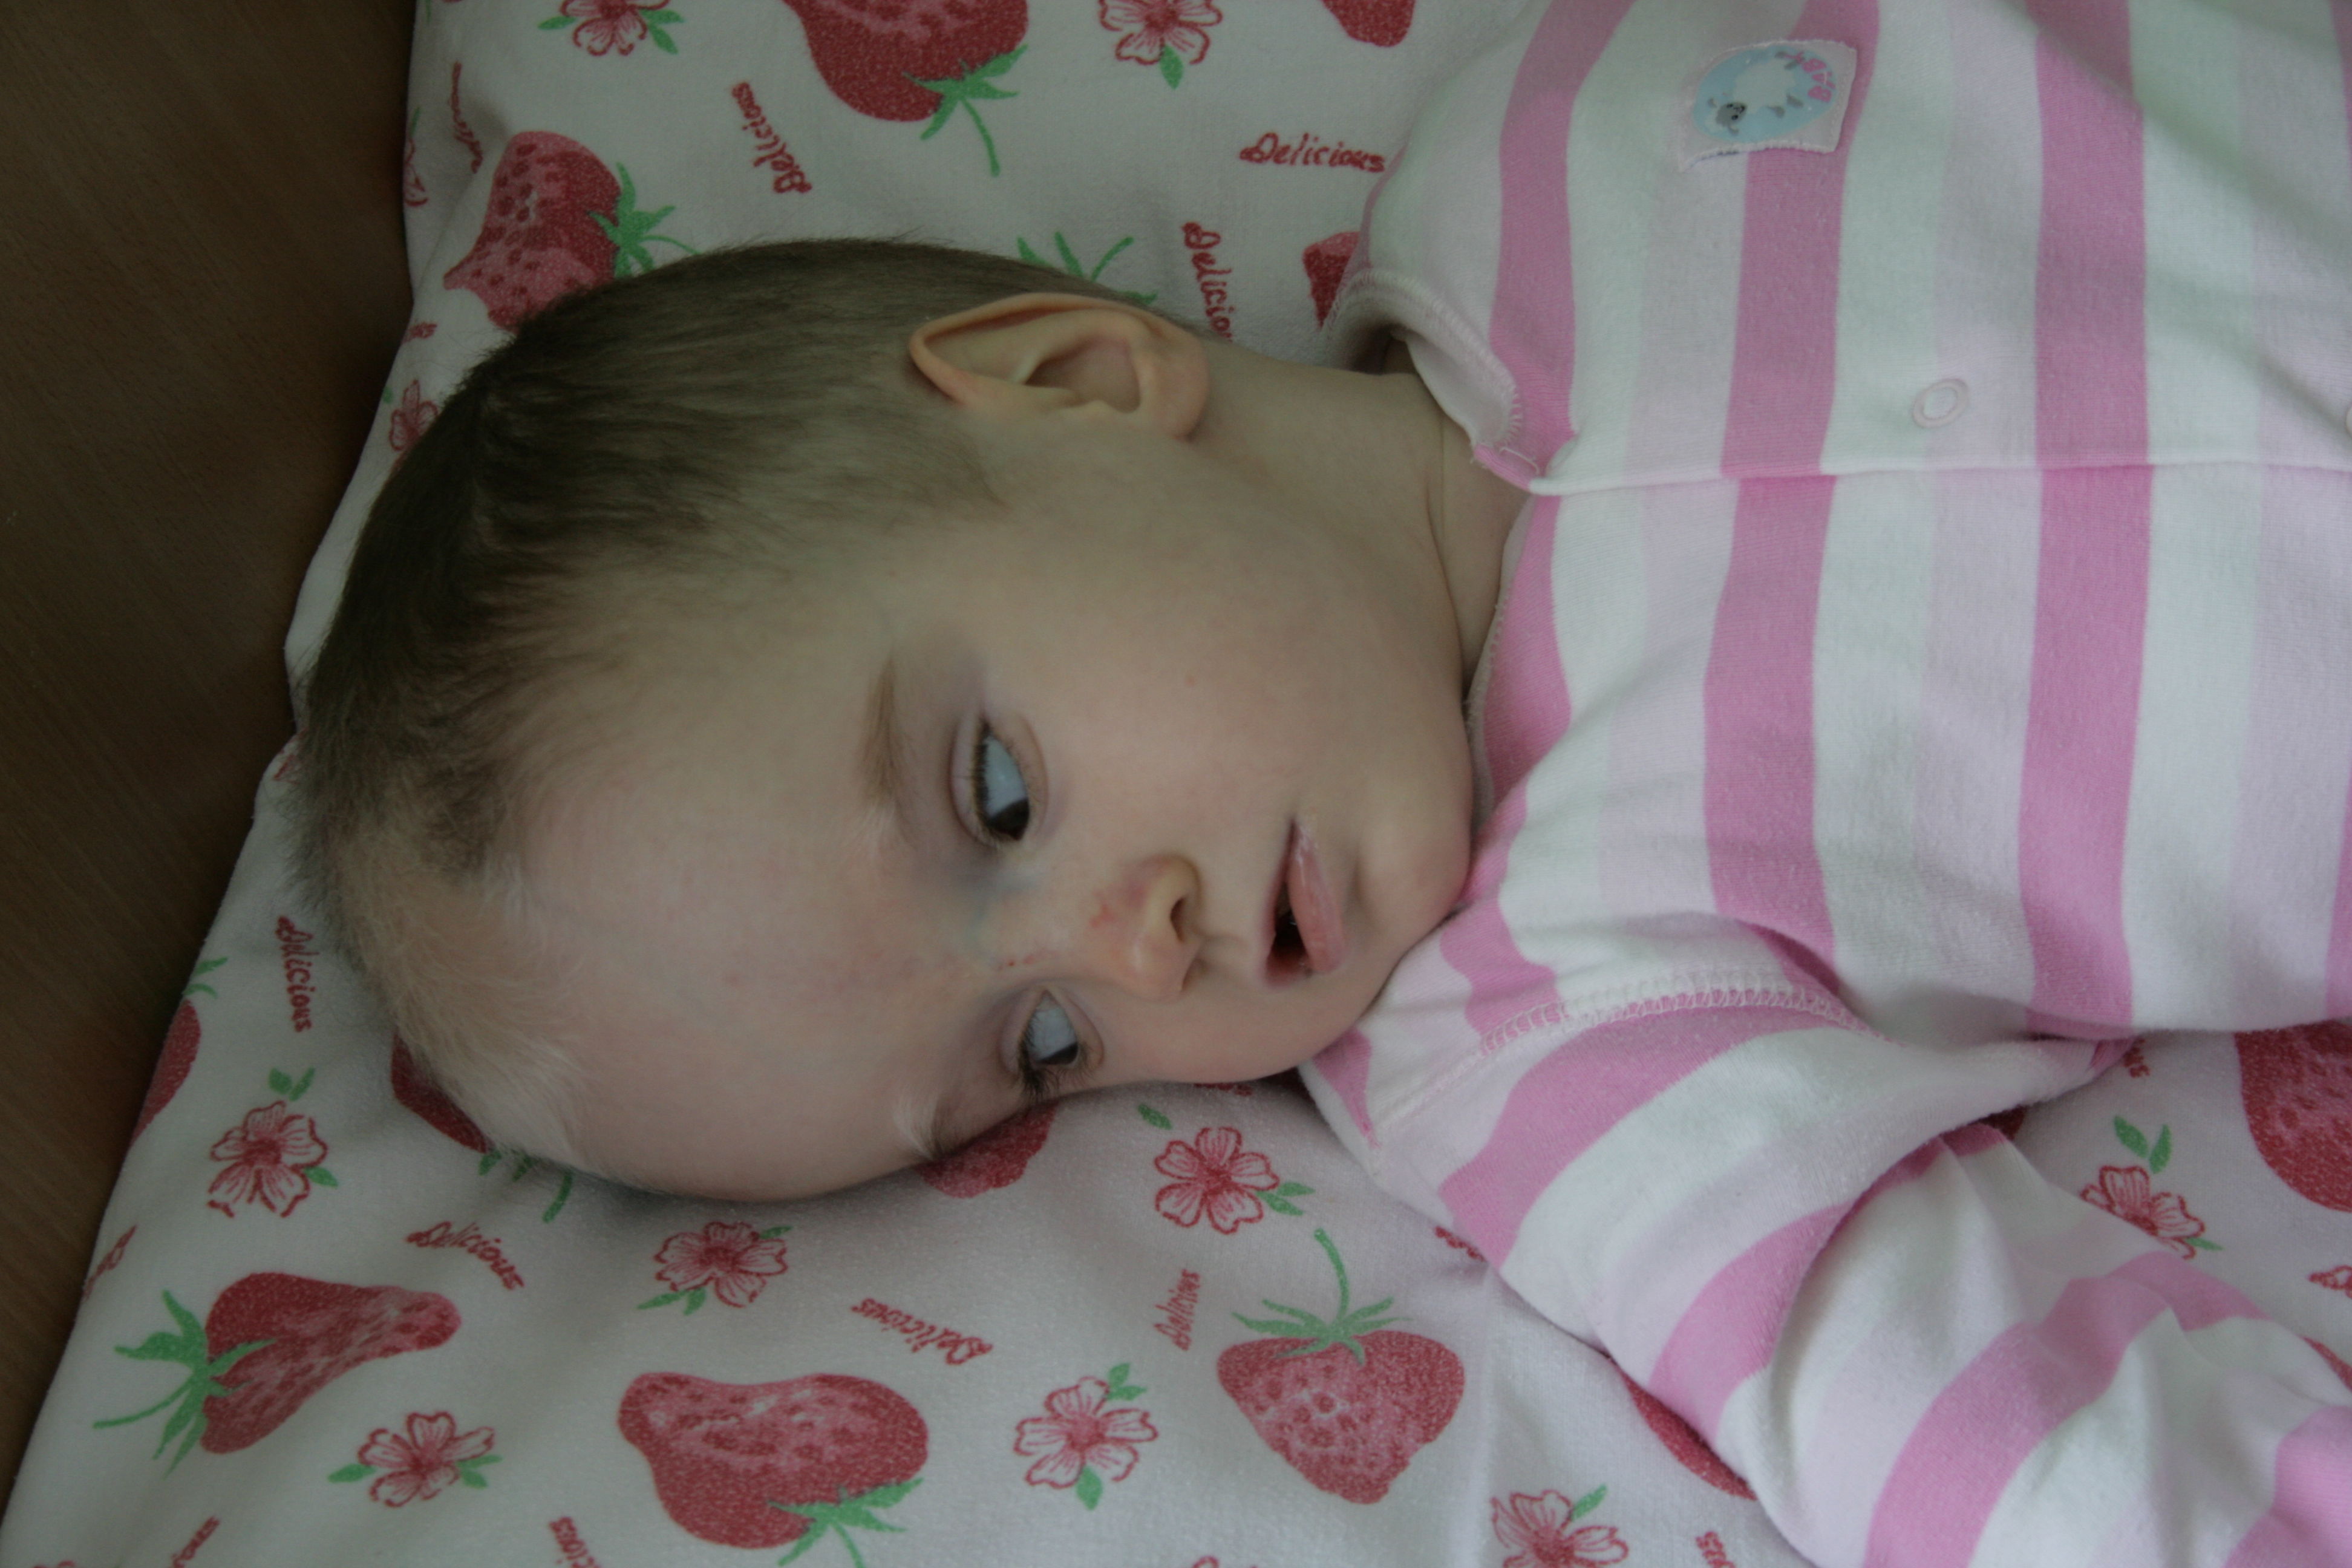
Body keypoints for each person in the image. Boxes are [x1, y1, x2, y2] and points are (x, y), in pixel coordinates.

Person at [298, 1, 2352, 1562]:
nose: (1138, 957)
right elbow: (1945, 1406)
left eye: (999, 797)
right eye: (1038, 1045)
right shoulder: (1535, 1026)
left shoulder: (1564, 109)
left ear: (1074, 383)